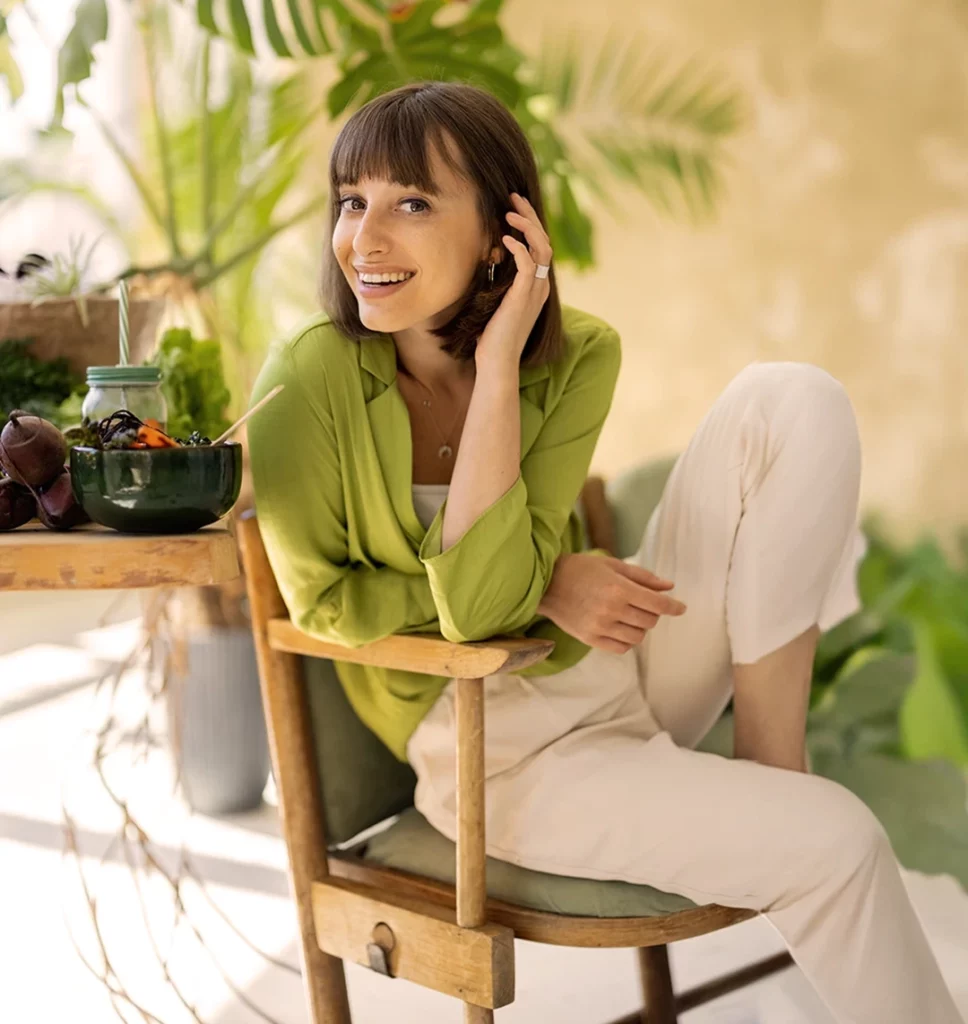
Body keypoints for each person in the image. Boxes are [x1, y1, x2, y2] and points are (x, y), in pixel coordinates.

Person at [247, 81, 962, 1023]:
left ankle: (769, 763)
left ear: (506, 229)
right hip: (494, 757)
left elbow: (512, 572)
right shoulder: (307, 379)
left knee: (794, 399)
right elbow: (364, 608)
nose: (364, 239)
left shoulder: (579, 352)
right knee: (840, 840)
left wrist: (514, 358)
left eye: (412, 203)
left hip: (621, 672)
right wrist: (543, 564)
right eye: (352, 201)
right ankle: (792, 818)